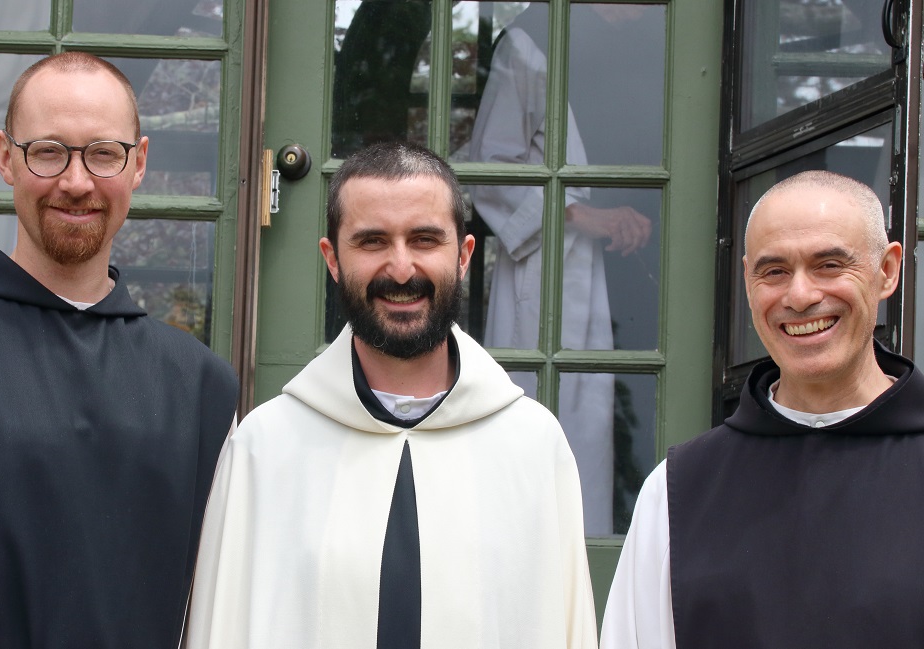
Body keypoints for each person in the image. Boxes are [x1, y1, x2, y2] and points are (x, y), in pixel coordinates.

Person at [185, 141, 596, 648]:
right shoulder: (266, 448)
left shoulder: (532, 446)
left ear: (464, 255)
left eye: (424, 240)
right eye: (373, 241)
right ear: (332, 259)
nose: (401, 269)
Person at [0, 52, 238, 648]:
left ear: (139, 162)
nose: (76, 181)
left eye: (103, 153)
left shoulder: (201, 389)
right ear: (5, 157)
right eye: (48, 151)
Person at [600, 170, 921, 648]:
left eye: (829, 264)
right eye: (773, 271)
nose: (800, 296)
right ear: (749, 283)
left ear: (887, 271)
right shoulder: (677, 491)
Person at [468, 4, 659, 535]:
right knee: (556, 424)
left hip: (644, 279)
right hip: (558, 274)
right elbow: (490, 171)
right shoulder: (533, 41)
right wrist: (584, 215)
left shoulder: (662, 44)